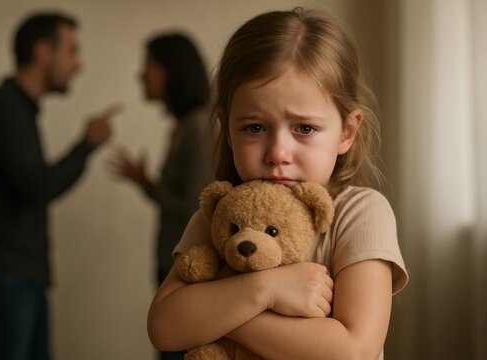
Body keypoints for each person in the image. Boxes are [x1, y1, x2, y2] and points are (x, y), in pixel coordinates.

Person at [147, 8, 408, 359]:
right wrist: (265, 291)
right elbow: (163, 328)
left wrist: (222, 307)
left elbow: (355, 352)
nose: (277, 153)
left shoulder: (360, 213)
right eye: (254, 128)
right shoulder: (216, 219)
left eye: (304, 128)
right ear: (227, 128)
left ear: (346, 132)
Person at [0, 12, 119, 360]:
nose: (78, 64)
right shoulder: (5, 109)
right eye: (72, 51)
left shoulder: (15, 108)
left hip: (13, 277)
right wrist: (86, 145)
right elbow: (37, 186)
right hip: (5, 278)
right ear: (43, 51)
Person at [108, 33, 212, 360]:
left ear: (173, 70)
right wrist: (148, 186)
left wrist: (149, 187)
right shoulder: (182, 126)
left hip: (189, 275)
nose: (142, 74)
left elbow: (199, 208)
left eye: (149, 65)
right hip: (173, 266)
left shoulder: (197, 127)